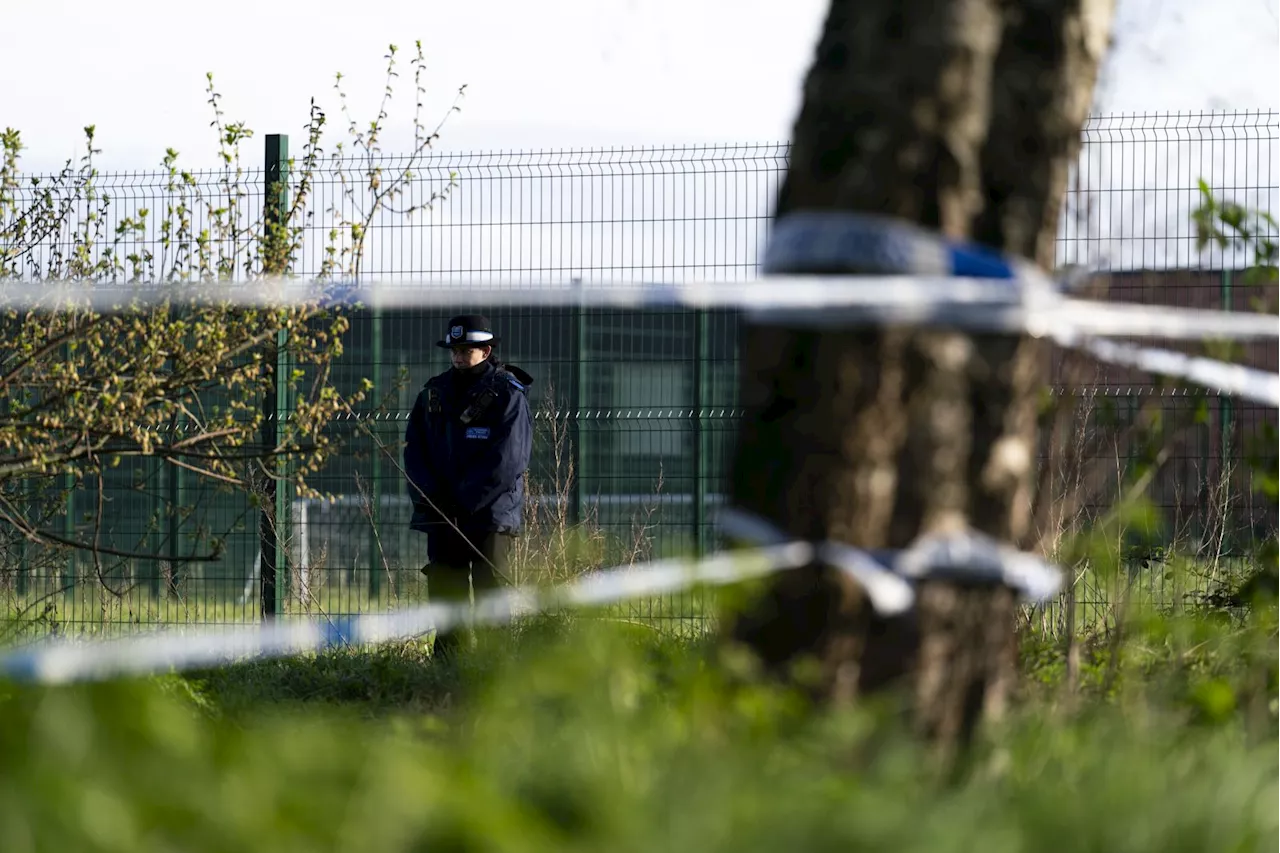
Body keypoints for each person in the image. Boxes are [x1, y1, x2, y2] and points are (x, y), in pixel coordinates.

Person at [403, 314, 534, 657]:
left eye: (466, 349)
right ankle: (447, 671)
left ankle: (495, 674)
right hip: (440, 514)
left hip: (489, 516)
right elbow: (414, 451)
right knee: (447, 597)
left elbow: (508, 460)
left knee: (491, 596)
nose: (458, 356)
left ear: (486, 350)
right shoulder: (433, 391)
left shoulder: (508, 394)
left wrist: (463, 502)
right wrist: (431, 498)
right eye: (454, 349)